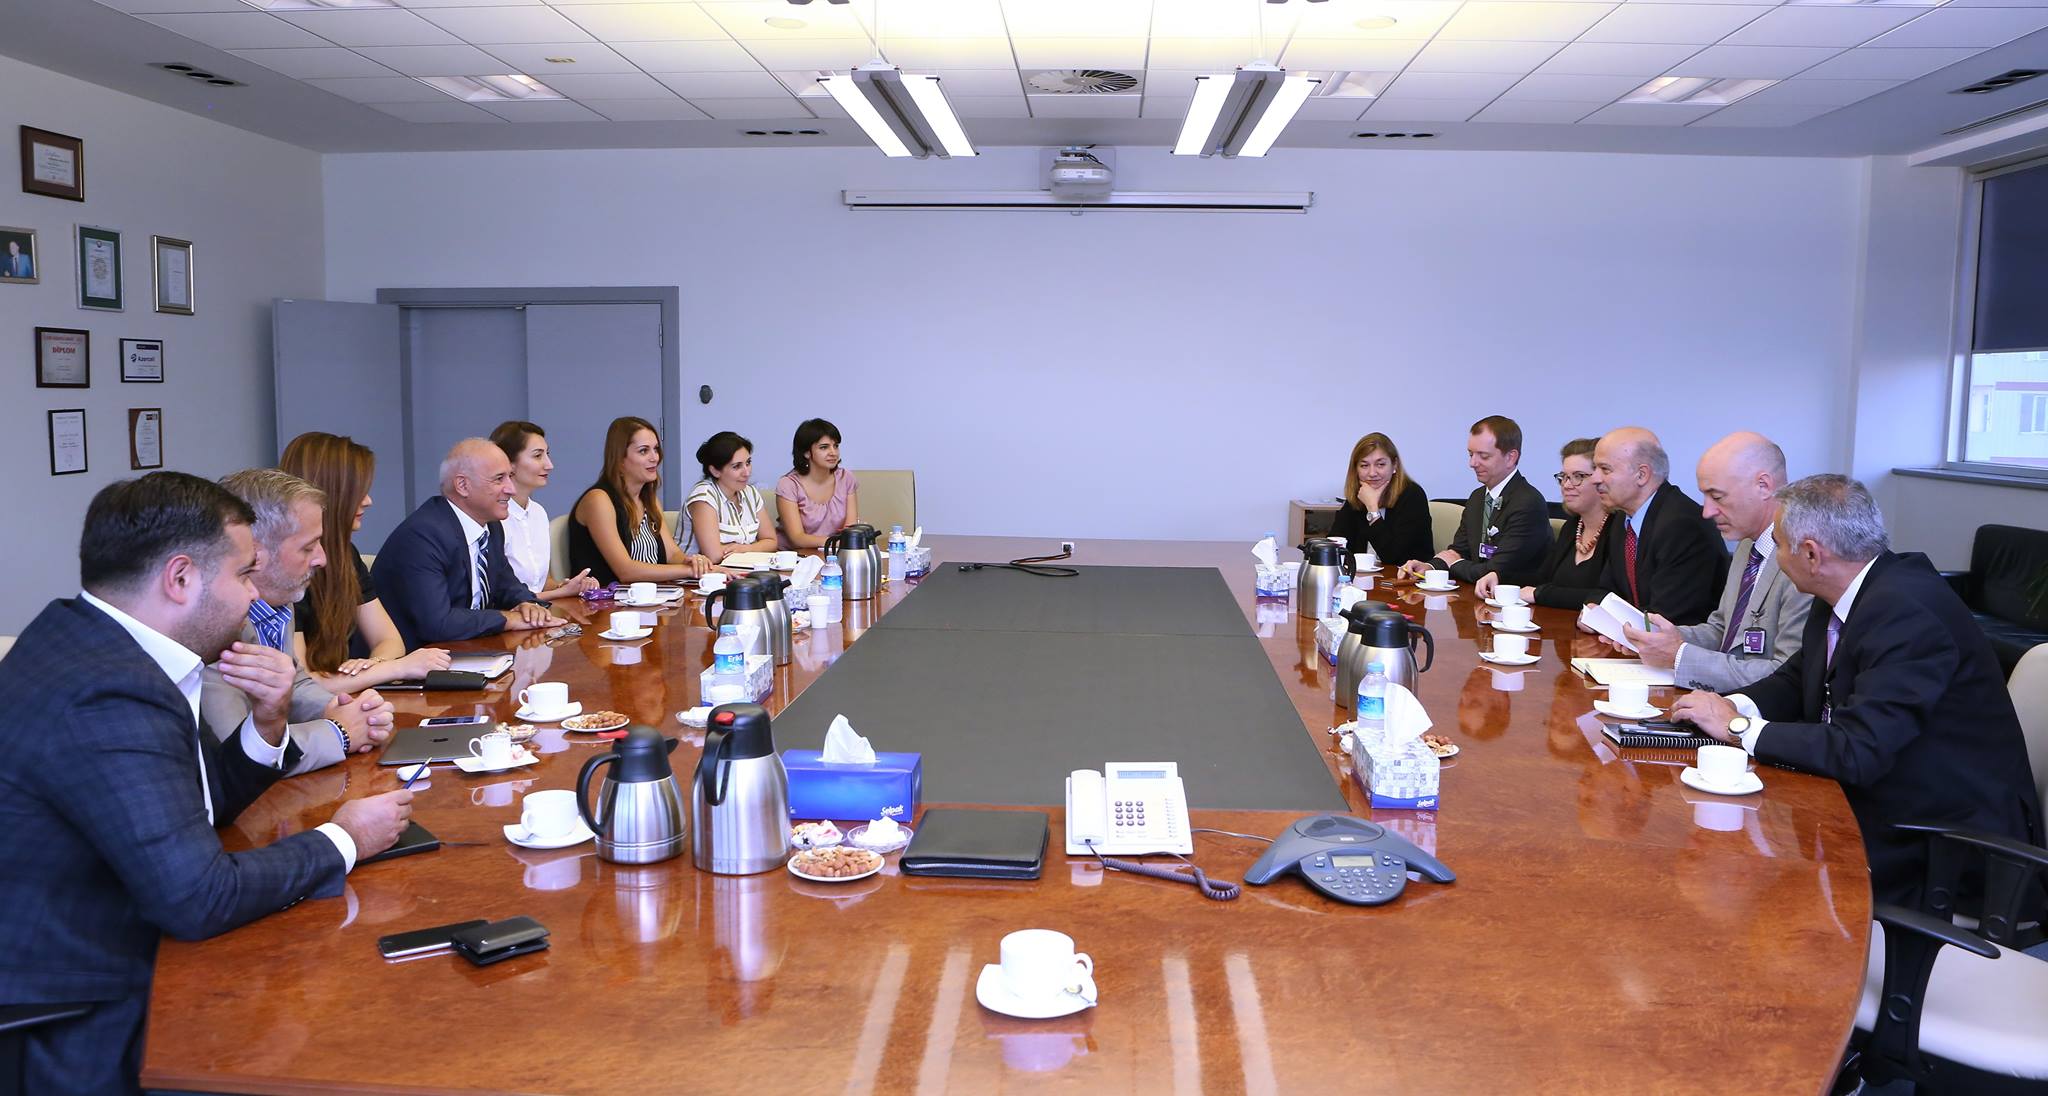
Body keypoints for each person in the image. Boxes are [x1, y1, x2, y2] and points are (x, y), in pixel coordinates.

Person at [0, 472, 412, 1094]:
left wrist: (268, 723)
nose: (254, 595)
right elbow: (200, 898)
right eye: (244, 575)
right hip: (82, 1011)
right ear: (181, 578)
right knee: (349, 1022)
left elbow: (197, 801)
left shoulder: (96, 640)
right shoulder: (110, 692)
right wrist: (344, 838)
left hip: (128, 940)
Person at [1669, 475, 2044, 908]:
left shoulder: (1908, 613)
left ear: (1812, 554)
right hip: (1881, 799)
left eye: (1780, 546)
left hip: (1940, 844)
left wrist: (1738, 728)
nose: (1776, 558)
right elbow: (1798, 677)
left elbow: (1859, 749)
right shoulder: (1848, 589)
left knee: (1744, 880)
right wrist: (1729, 705)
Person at [200, 468, 396, 774]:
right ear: (255, 554)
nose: (321, 559)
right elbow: (239, 753)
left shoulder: (280, 600)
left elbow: (296, 683)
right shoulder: (213, 624)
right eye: (307, 547)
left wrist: (341, 708)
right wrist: (340, 733)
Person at [1622, 432, 1813, 692]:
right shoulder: (1747, 546)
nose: (1707, 511)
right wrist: (1662, 639)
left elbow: (1784, 675)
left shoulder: (1802, 560)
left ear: (1764, 485)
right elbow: (1722, 631)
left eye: (1718, 497)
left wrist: (1679, 655)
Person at [278, 431, 452, 691]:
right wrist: (394, 668)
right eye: (358, 492)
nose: (368, 501)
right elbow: (303, 686)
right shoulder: (286, 570)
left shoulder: (345, 554)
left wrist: (373, 667)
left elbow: (389, 640)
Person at [371, 439, 556, 649]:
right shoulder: (423, 536)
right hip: (412, 657)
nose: (511, 489)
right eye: (499, 479)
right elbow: (438, 623)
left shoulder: (491, 525)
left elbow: (506, 585)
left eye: (510, 477)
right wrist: (508, 619)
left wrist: (527, 604)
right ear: (463, 486)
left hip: (466, 649)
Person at [1587, 426, 1727, 625]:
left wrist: (1605, 619)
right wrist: (1594, 611)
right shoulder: (1622, 519)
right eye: (1595, 468)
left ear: (1642, 475)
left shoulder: (1683, 525)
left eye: (1605, 469)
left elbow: (1667, 616)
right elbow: (1605, 591)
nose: (1594, 479)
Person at [1401, 415, 1551, 586]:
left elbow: (1495, 571)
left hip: (1515, 598)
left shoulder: (1528, 503)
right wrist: (1429, 567)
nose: (1472, 463)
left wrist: (1454, 564)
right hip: (1476, 593)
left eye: (1483, 456)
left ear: (1511, 457)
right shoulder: (1477, 498)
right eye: (1471, 454)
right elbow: (1459, 550)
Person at [568, 416, 712, 586]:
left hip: (652, 595)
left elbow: (672, 554)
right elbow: (626, 571)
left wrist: (696, 564)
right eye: (644, 451)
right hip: (606, 599)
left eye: (656, 449)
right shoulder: (598, 500)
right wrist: (688, 571)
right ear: (620, 460)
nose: (655, 458)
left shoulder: (650, 500)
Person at [1479, 438, 1611, 608]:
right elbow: (1543, 577)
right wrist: (1499, 577)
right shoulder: (1572, 527)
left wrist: (1539, 594)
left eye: (1578, 476)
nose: (1566, 485)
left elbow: (1606, 597)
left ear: (1601, 480)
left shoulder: (1619, 530)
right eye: (1564, 477)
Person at [489, 420, 600, 602]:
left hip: (539, 611)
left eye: (547, 454)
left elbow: (542, 582)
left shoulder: (538, 512)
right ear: (509, 463)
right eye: (537, 456)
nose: (549, 465)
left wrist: (569, 586)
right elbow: (500, 599)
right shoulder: (492, 518)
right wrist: (561, 592)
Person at [1327, 432, 1431, 567]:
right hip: (1363, 577)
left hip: (1405, 576)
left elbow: (1392, 556)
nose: (1372, 473)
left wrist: (1372, 509)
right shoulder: (1358, 495)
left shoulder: (1412, 495)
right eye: (1364, 465)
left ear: (1394, 465)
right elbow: (1335, 545)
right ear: (1356, 469)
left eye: (1380, 464)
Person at [686, 430, 779, 563]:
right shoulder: (704, 496)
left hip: (738, 569)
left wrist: (746, 549)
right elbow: (714, 556)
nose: (747, 473)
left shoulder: (750, 493)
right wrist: (755, 548)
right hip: (700, 573)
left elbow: (771, 541)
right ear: (715, 471)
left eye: (748, 463)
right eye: (737, 466)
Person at [775, 417, 860, 550]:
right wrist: (836, 542)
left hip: (833, 553)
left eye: (836, 446)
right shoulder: (788, 485)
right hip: (796, 555)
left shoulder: (846, 478)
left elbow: (850, 529)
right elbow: (797, 538)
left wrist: (843, 542)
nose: (833, 452)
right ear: (806, 452)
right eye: (824, 447)